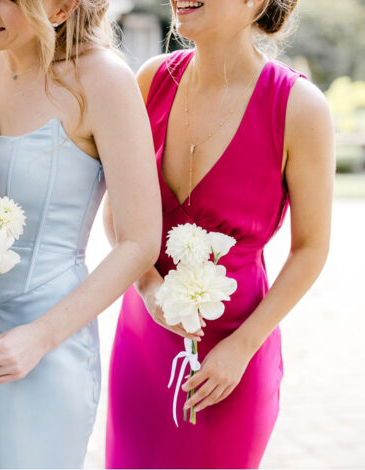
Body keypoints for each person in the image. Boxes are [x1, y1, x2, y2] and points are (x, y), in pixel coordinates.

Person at [0, 0, 160, 467]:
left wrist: (39, 337)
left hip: (49, 346)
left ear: (61, 8)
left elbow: (140, 240)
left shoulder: (103, 81)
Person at [105, 0, 333, 467]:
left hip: (234, 350)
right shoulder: (150, 81)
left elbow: (311, 249)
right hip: (142, 338)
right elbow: (117, 212)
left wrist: (242, 348)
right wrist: (149, 286)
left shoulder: (299, 107)